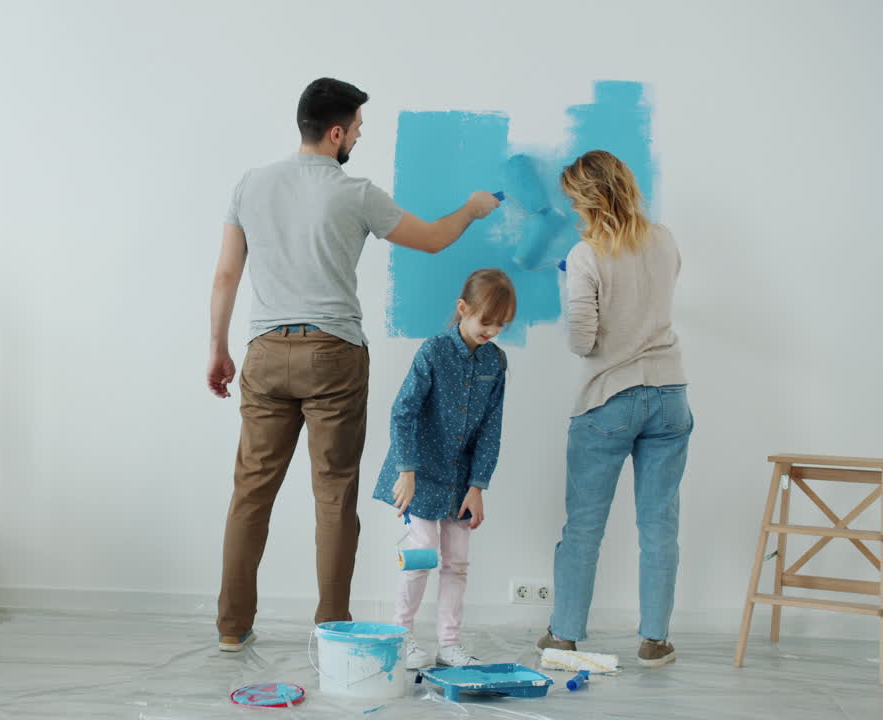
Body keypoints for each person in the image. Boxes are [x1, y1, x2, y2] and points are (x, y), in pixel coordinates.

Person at [208, 77, 501, 651]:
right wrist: (471, 208)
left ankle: (231, 628)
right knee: (334, 494)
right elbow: (435, 239)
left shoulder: (250, 184)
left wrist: (218, 349)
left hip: (264, 352)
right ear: (336, 131)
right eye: (359, 128)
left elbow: (225, 276)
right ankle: (333, 629)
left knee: (251, 493)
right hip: (333, 355)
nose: (360, 137)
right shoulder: (356, 192)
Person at [536, 150, 692, 668]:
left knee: (583, 525)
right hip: (670, 397)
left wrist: (574, 286)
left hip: (608, 401)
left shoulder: (586, 255)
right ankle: (655, 641)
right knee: (659, 524)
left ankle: (564, 636)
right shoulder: (664, 239)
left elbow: (583, 341)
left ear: (584, 199)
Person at [373, 268, 515, 668]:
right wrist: (406, 470)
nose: (492, 331)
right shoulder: (433, 352)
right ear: (462, 309)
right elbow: (402, 411)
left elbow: (491, 427)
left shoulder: (496, 363)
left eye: (500, 325)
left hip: (460, 480)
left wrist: (478, 485)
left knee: (457, 562)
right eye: (486, 321)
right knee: (422, 554)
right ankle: (402, 638)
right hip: (418, 474)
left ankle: (449, 643)